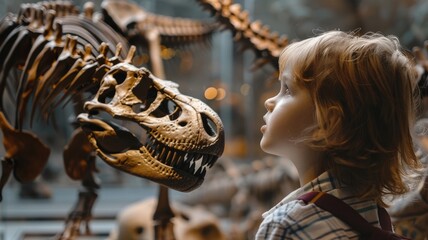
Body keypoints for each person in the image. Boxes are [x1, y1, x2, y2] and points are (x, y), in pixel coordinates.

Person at [256, 30, 422, 239]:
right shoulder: (375, 216)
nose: (269, 102)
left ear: (329, 121)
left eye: (287, 90)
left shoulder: (287, 224)